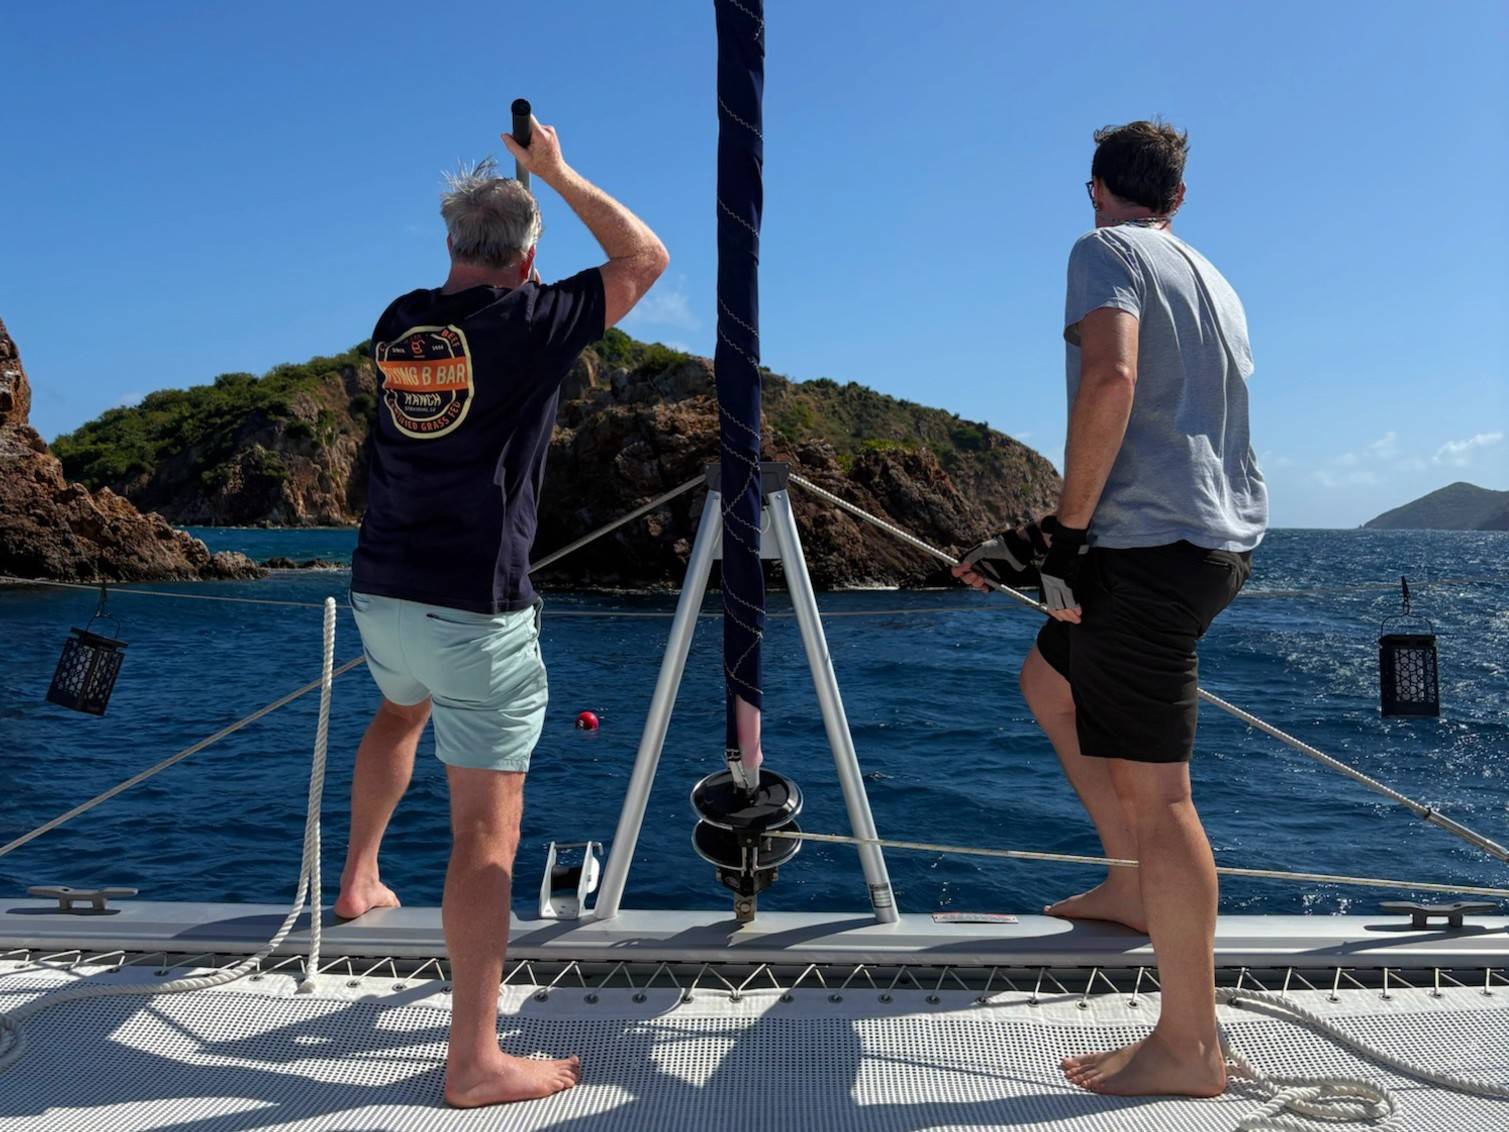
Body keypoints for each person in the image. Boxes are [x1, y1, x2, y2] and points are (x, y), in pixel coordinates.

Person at [334, 113, 668, 1108]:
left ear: (448, 248)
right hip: (476, 611)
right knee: (488, 831)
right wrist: (555, 170)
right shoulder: (533, 324)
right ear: (527, 257)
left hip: (382, 591)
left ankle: (356, 881)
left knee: (398, 713)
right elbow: (644, 256)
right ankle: (476, 1058)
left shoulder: (401, 319)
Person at [955, 120, 1267, 1098]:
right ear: (1178, 196)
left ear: (1097, 189)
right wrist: (1056, 532)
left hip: (1145, 555)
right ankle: (1131, 882)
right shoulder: (1213, 280)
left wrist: (1070, 539)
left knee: (1162, 792)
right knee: (1048, 680)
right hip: (1215, 546)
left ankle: (1189, 1046)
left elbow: (1113, 375)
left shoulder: (1103, 250)